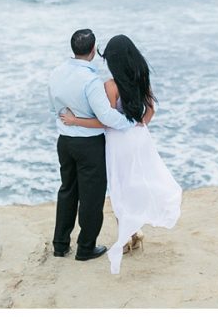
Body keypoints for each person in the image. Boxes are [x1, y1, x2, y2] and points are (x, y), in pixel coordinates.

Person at [60, 34, 182, 274]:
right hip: (140, 138)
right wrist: (139, 125)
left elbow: (106, 122)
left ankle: (127, 237)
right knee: (136, 183)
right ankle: (134, 232)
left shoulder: (110, 86)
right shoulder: (141, 79)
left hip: (118, 143)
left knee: (119, 188)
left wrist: (76, 121)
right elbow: (150, 112)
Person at [47, 28, 135, 261]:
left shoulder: (56, 73)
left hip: (64, 142)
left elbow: (52, 108)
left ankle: (60, 244)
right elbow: (106, 117)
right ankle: (85, 248)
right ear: (94, 50)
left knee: (67, 191)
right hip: (89, 145)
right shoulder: (91, 80)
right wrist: (129, 122)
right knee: (91, 198)